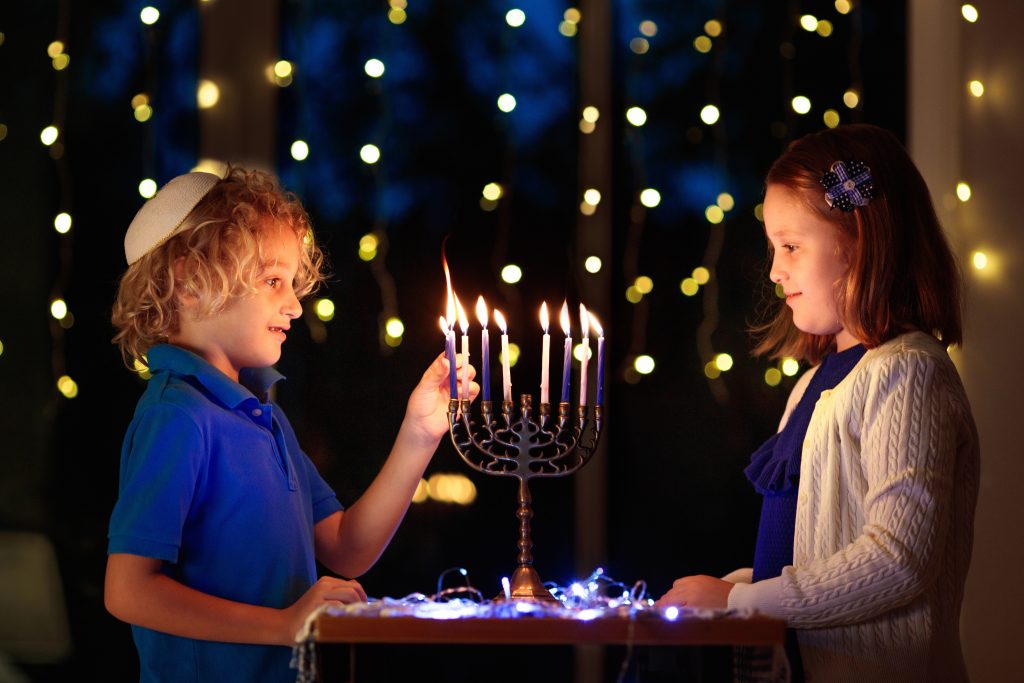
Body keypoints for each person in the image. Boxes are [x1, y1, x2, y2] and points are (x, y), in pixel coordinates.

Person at [104, 167, 477, 682]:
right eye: (272, 280)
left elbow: (349, 549)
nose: (295, 305)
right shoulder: (178, 416)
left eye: (293, 283)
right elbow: (128, 590)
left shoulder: (266, 420)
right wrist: (284, 625)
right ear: (190, 283)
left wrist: (420, 432)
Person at [656, 124, 980, 682]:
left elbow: (896, 561)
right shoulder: (812, 384)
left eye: (791, 246)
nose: (776, 269)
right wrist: (734, 587)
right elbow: (814, 549)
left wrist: (741, 603)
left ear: (861, 240)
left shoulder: (907, 372)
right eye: (772, 248)